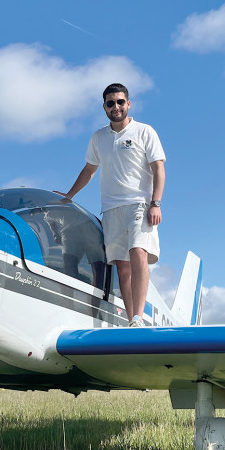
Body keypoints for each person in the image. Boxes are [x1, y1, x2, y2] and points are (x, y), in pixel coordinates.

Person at [58, 83, 165, 327]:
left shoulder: (144, 131)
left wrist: (155, 203)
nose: (115, 107)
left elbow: (159, 168)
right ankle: (130, 320)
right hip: (110, 209)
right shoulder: (98, 137)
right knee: (122, 268)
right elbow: (89, 169)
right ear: (104, 107)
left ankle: (138, 317)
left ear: (128, 104)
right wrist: (70, 195)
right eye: (110, 103)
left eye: (120, 102)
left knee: (138, 252)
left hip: (139, 204)